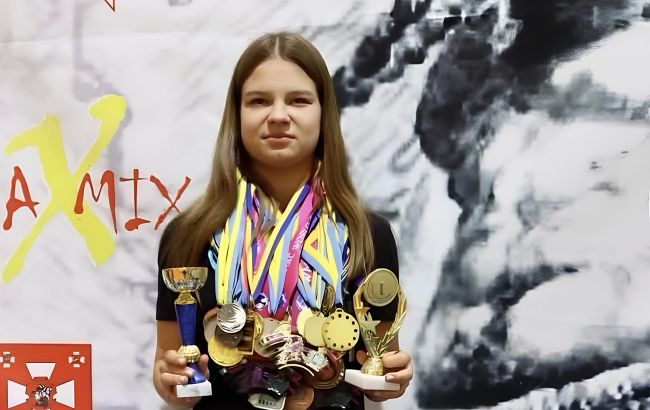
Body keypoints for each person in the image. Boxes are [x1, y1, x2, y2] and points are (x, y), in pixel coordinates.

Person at [153, 31, 413, 409]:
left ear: (323, 113)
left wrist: (390, 378)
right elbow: (171, 377)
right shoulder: (188, 235)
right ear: (237, 114)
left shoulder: (367, 234)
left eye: (298, 100)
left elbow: (380, 370)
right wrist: (171, 381)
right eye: (258, 101)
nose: (278, 116)